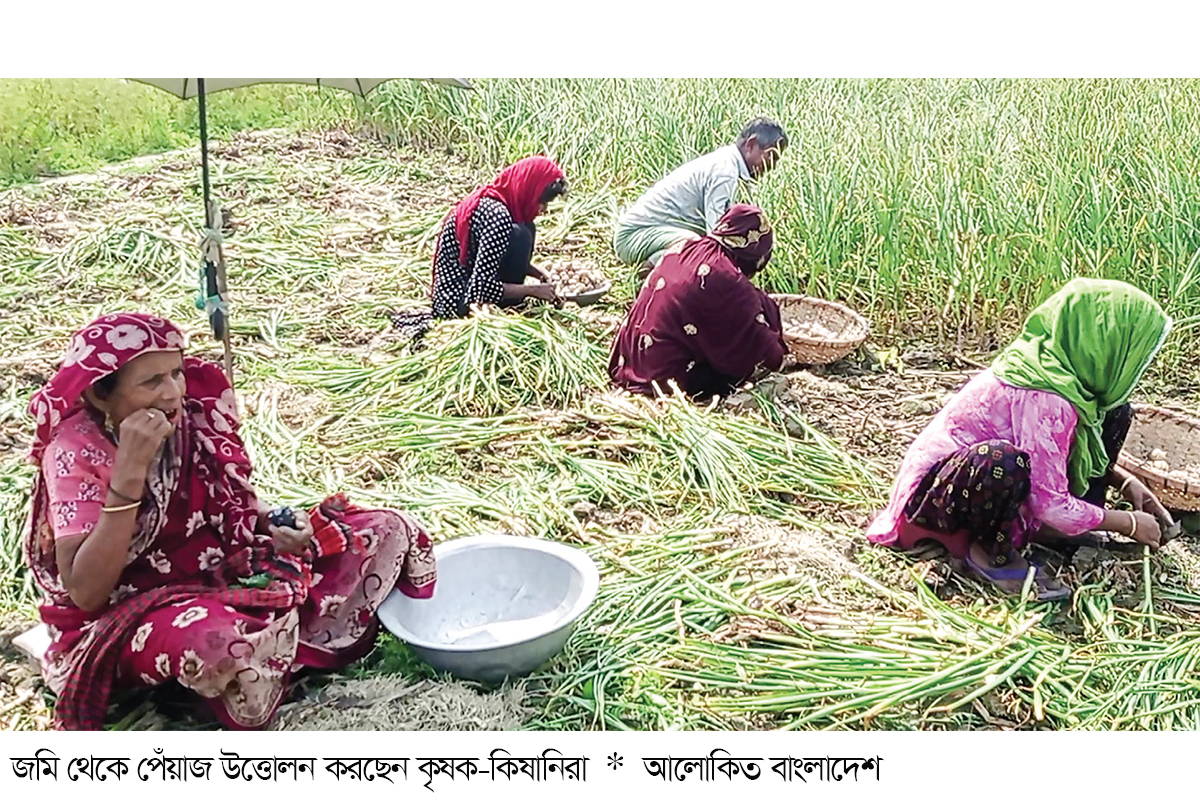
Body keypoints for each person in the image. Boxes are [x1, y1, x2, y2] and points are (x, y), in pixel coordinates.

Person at [23, 313, 438, 730]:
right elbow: (87, 592)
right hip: (134, 611)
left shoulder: (192, 418)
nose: (173, 393)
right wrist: (130, 471)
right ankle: (247, 661)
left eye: (177, 374)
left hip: (220, 573)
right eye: (151, 382)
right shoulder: (75, 451)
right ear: (100, 395)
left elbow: (231, 504)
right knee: (212, 642)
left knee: (385, 530)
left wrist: (273, 523)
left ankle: (270, 652)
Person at [866, 278, 1175, 601]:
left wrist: (1126, 482)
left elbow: (1047, 453)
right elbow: (1049, 502)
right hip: (939, 503)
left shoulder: (1064, 379)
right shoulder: (1047, 396)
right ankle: (990, 552)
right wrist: (1127, 523)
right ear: (1105, 347)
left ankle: (1067, 527)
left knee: (1115, 413)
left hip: (990, 486)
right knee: (1003, 462)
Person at [609, 203, 787, 400]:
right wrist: (778, 352)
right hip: (662, 379)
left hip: (631, 360)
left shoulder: (685, 246)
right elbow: (765, 353)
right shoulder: (727, 279)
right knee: (733, 367)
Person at [613, 117, 787, 278]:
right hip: (633, 237)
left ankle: (661, 262)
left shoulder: (734, 169)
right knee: (698, 248)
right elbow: (719, 236)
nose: (772, 166)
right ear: (751, 145)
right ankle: (650, 271)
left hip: (659, 234)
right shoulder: (725, 173)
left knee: (701, 249)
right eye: (771, 157)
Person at [431, 155, 567, 319]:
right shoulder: (498, 216)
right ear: (529, 190)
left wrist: (537, 273)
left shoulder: (500, 205)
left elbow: (489, 259)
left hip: (468, 288)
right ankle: (508, 306)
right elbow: (480, 289)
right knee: (522, 235)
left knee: (526, 229)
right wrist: (532, 291)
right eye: (542, 202)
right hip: (455, 302)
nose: (543, 209)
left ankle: (510, 303)